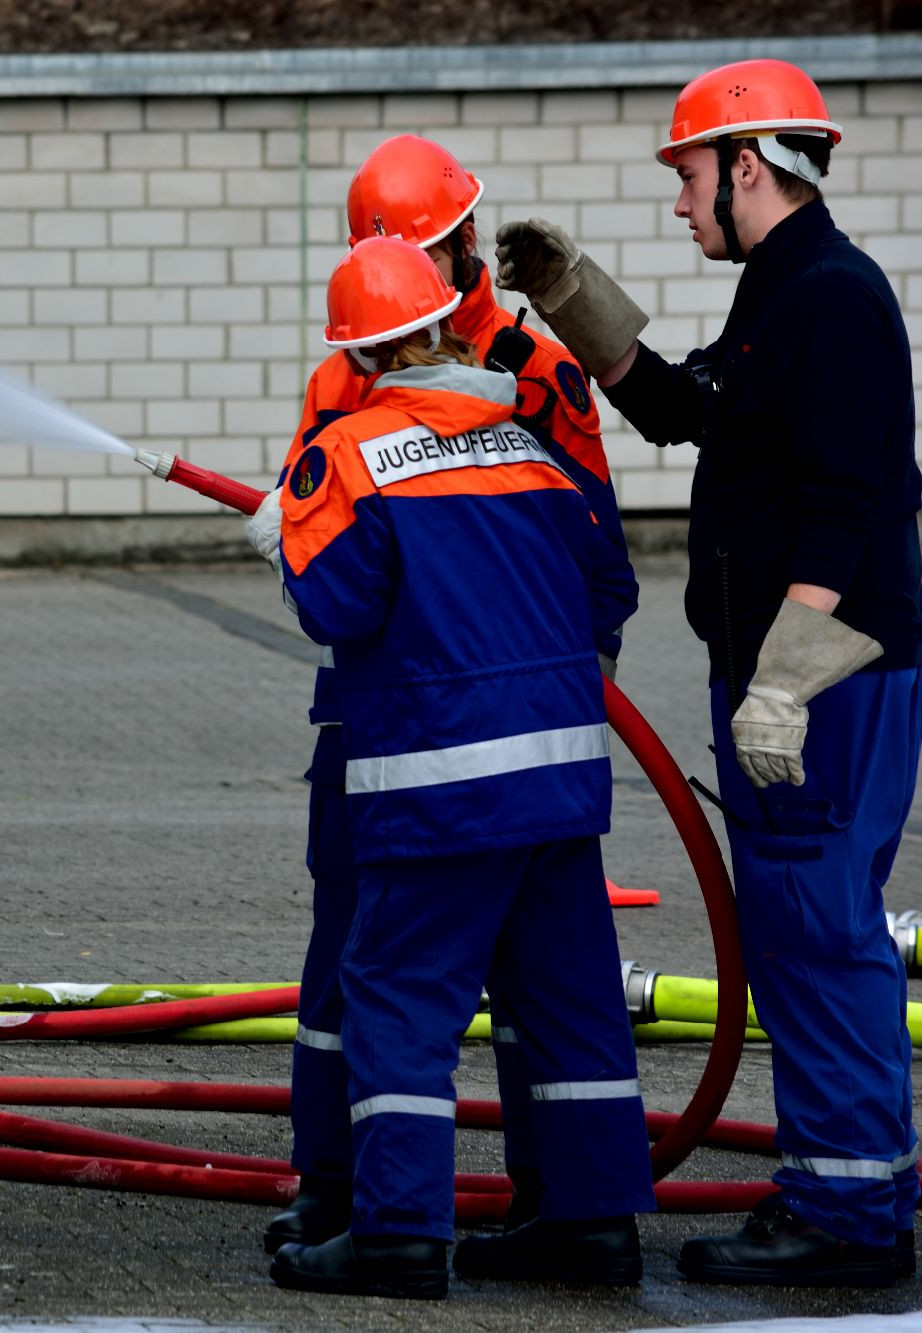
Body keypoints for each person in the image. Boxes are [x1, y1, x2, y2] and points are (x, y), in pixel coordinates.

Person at [494, 58, 922, 1287]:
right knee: (805, 926)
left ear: (747, 166)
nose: (678, 200)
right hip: (808, 673)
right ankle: (849, 1188)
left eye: (687, 175)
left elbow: (845, 503)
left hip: (823, 679)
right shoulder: (782, 290)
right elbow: (690, 410)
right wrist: (567, 296)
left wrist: (781, 683)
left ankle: (846, 1217)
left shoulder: (828, 297)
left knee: (813, 930)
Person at [250, 237, 653, 1300]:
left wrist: (286, 536)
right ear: (440, 326)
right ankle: (591, 1225)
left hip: (439, 785)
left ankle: (395, 1234)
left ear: (358, 354)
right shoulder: (527, 446)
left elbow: (338, 606)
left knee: (398, 995)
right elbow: (606, 588)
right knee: (567, 999)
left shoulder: (347, 453)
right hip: (558, 778)